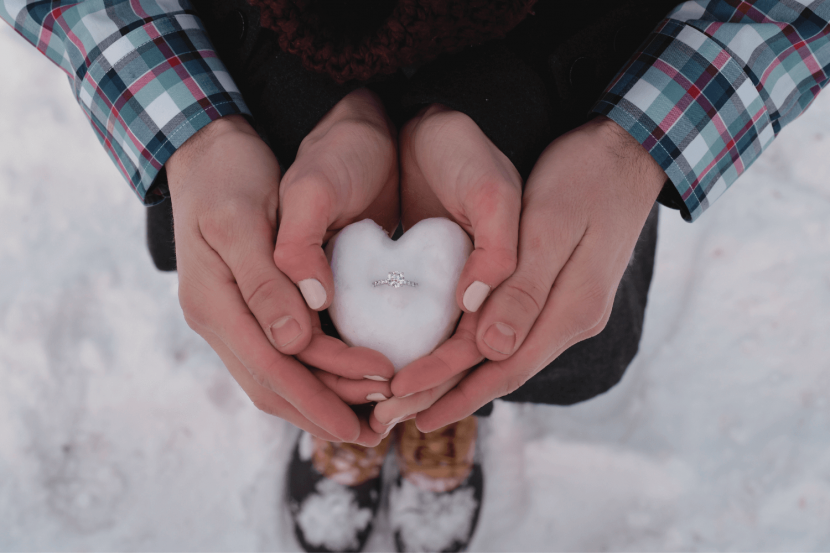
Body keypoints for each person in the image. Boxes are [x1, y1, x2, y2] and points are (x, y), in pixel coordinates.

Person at [3, 0, 828, 550]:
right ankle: (353, 404)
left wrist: (634, 143)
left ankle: (427, 405)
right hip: (263, 65)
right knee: (292, 288)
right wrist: (197, 130)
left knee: (520, 307)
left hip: (563, 86)